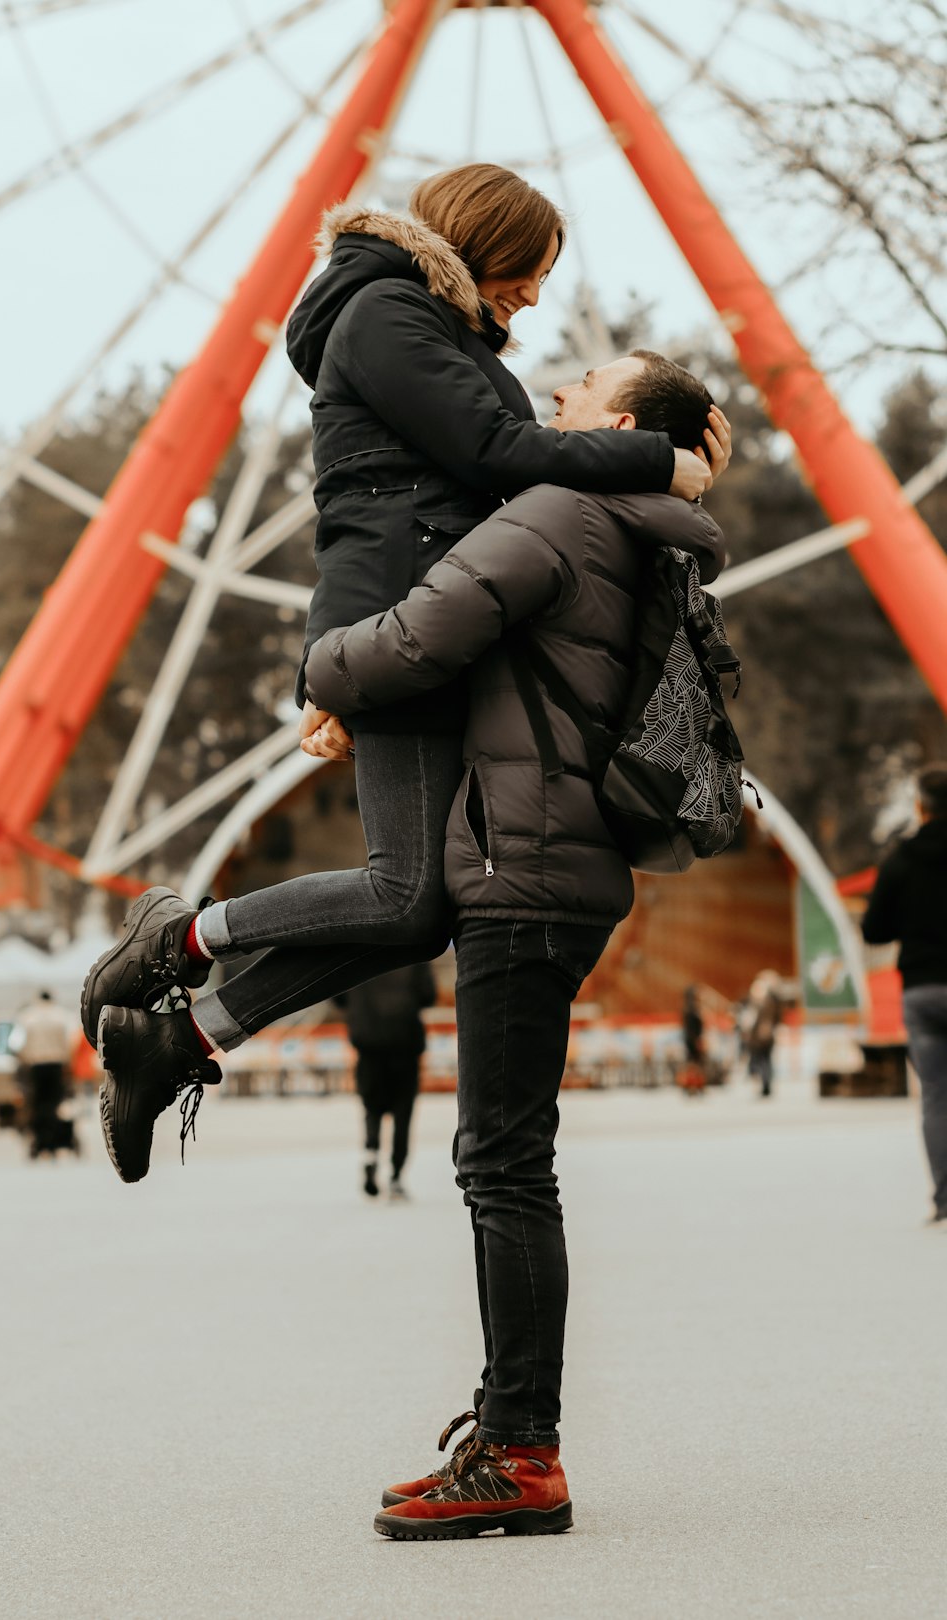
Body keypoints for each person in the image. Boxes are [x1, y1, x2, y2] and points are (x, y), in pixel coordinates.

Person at [83, 166, 730, 1181]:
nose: (534, 295)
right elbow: (499, 452)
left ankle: (181, 1037)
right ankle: (180, 938)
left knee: (417, 902)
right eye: (530, 270)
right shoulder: (385, 311)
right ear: (485, 241)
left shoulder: (426, 327)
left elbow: (512, 486)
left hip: (431, 622)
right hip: (398, 621)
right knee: (404, 893)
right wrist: (656, 461)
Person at [302, 349, 728, 1537]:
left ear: (627, 424)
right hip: (573, 859)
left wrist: (320, 668)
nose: (556, 397)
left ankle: (521, 1450)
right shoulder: (655, 533)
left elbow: (417, 636)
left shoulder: (558, 511)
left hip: (522, 863)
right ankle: (510, 1432)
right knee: (510, 1159)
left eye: (586, 388)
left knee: (502, 1166)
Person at [862, 762, 947, 1224]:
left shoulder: (901, 860)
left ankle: (945, 1197)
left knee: (936, 1095)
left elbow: (875, 929)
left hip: (922, 988)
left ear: (921, 807)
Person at [336, 962, 436, 1199]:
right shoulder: (416, 949)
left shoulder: (353, 951)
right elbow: (428, 994)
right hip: (404, 1039)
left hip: (368, 1040)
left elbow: (336, 995)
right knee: (404, 1111)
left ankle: (371, 1152)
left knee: (371, 1104)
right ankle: (396, 1176)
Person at [13, 990, 76, 1158]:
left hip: (36, 1067)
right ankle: (53, 1142)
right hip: (56, 1066)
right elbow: (72, 1041)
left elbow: (17, 1044)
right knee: (54, 1104)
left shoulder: (27, 1016)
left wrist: (25, 1058)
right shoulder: (62, 1016)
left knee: (37, 1105)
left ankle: (40, 1142)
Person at [743, 970, 784, 1098]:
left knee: (764, 1061)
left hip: (763, 1037)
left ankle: (766, 1085)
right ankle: (765, 1084)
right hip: (759, 1037)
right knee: (762, 1061)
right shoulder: (762, 1003)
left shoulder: (769, 1002)